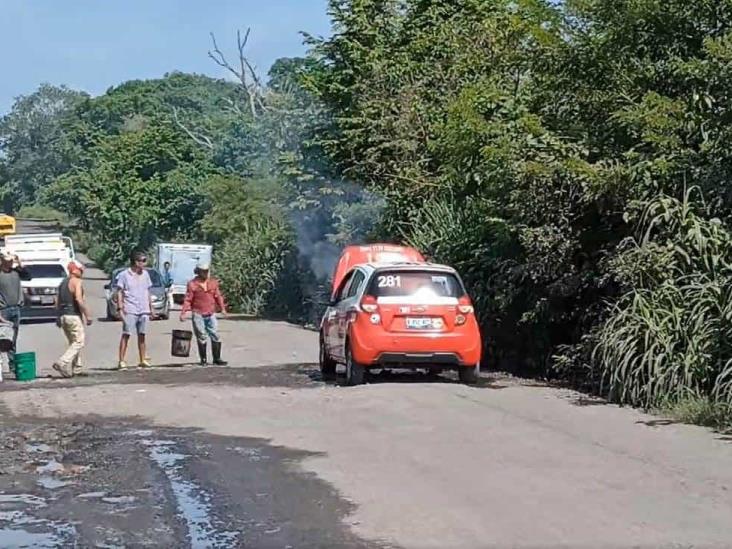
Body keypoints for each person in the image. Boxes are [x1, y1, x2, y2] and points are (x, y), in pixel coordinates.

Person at [180, 261, 228, 366]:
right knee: (202, 335)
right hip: (198, 313)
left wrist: (223, 308)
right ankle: (204, 359)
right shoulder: (192, 284)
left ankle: (217, 358)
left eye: (207, 271)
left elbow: (218, 296)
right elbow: (188, 299)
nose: (206, 273)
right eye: (203, 271)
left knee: (215, 334)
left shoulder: (213, 283)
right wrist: (183, 312)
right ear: (198, 272)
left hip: (210, 313)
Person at [116, 250, 156, 369]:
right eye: (143, 261)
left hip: (143, 308)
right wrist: (120, 308)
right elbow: (119, 292)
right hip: (130, 308)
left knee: (142, 334)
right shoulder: (124, 275)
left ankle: (142, 359)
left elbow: (148, 291)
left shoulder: (145, 274)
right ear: (136, 262)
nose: (144, 263)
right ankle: (122, 360)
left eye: (145, 261)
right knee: (126, 334)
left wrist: (151, 307)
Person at [52, 260, 93, 378]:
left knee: (73, 342)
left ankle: (77, 368)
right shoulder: (76, 282)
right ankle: (62, 362)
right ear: (75, 270)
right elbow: (79, 299)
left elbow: (57, 302)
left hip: (64, 315)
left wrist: (58, 317)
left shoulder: (63, 282)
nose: (82, 272)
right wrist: (87, 315)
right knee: (79, 342)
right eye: (81, 270)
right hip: (73, 315)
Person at [0, 249, 31, 375]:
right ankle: (2, 366)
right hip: (3, 310)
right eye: (8, 261)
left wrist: (20, 264)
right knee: (2, 338)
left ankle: (12, 366)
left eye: (11, 261)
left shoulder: (16, 272)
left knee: (13, 339)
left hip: (16, 309)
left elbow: (28, 276)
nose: (10, 263)